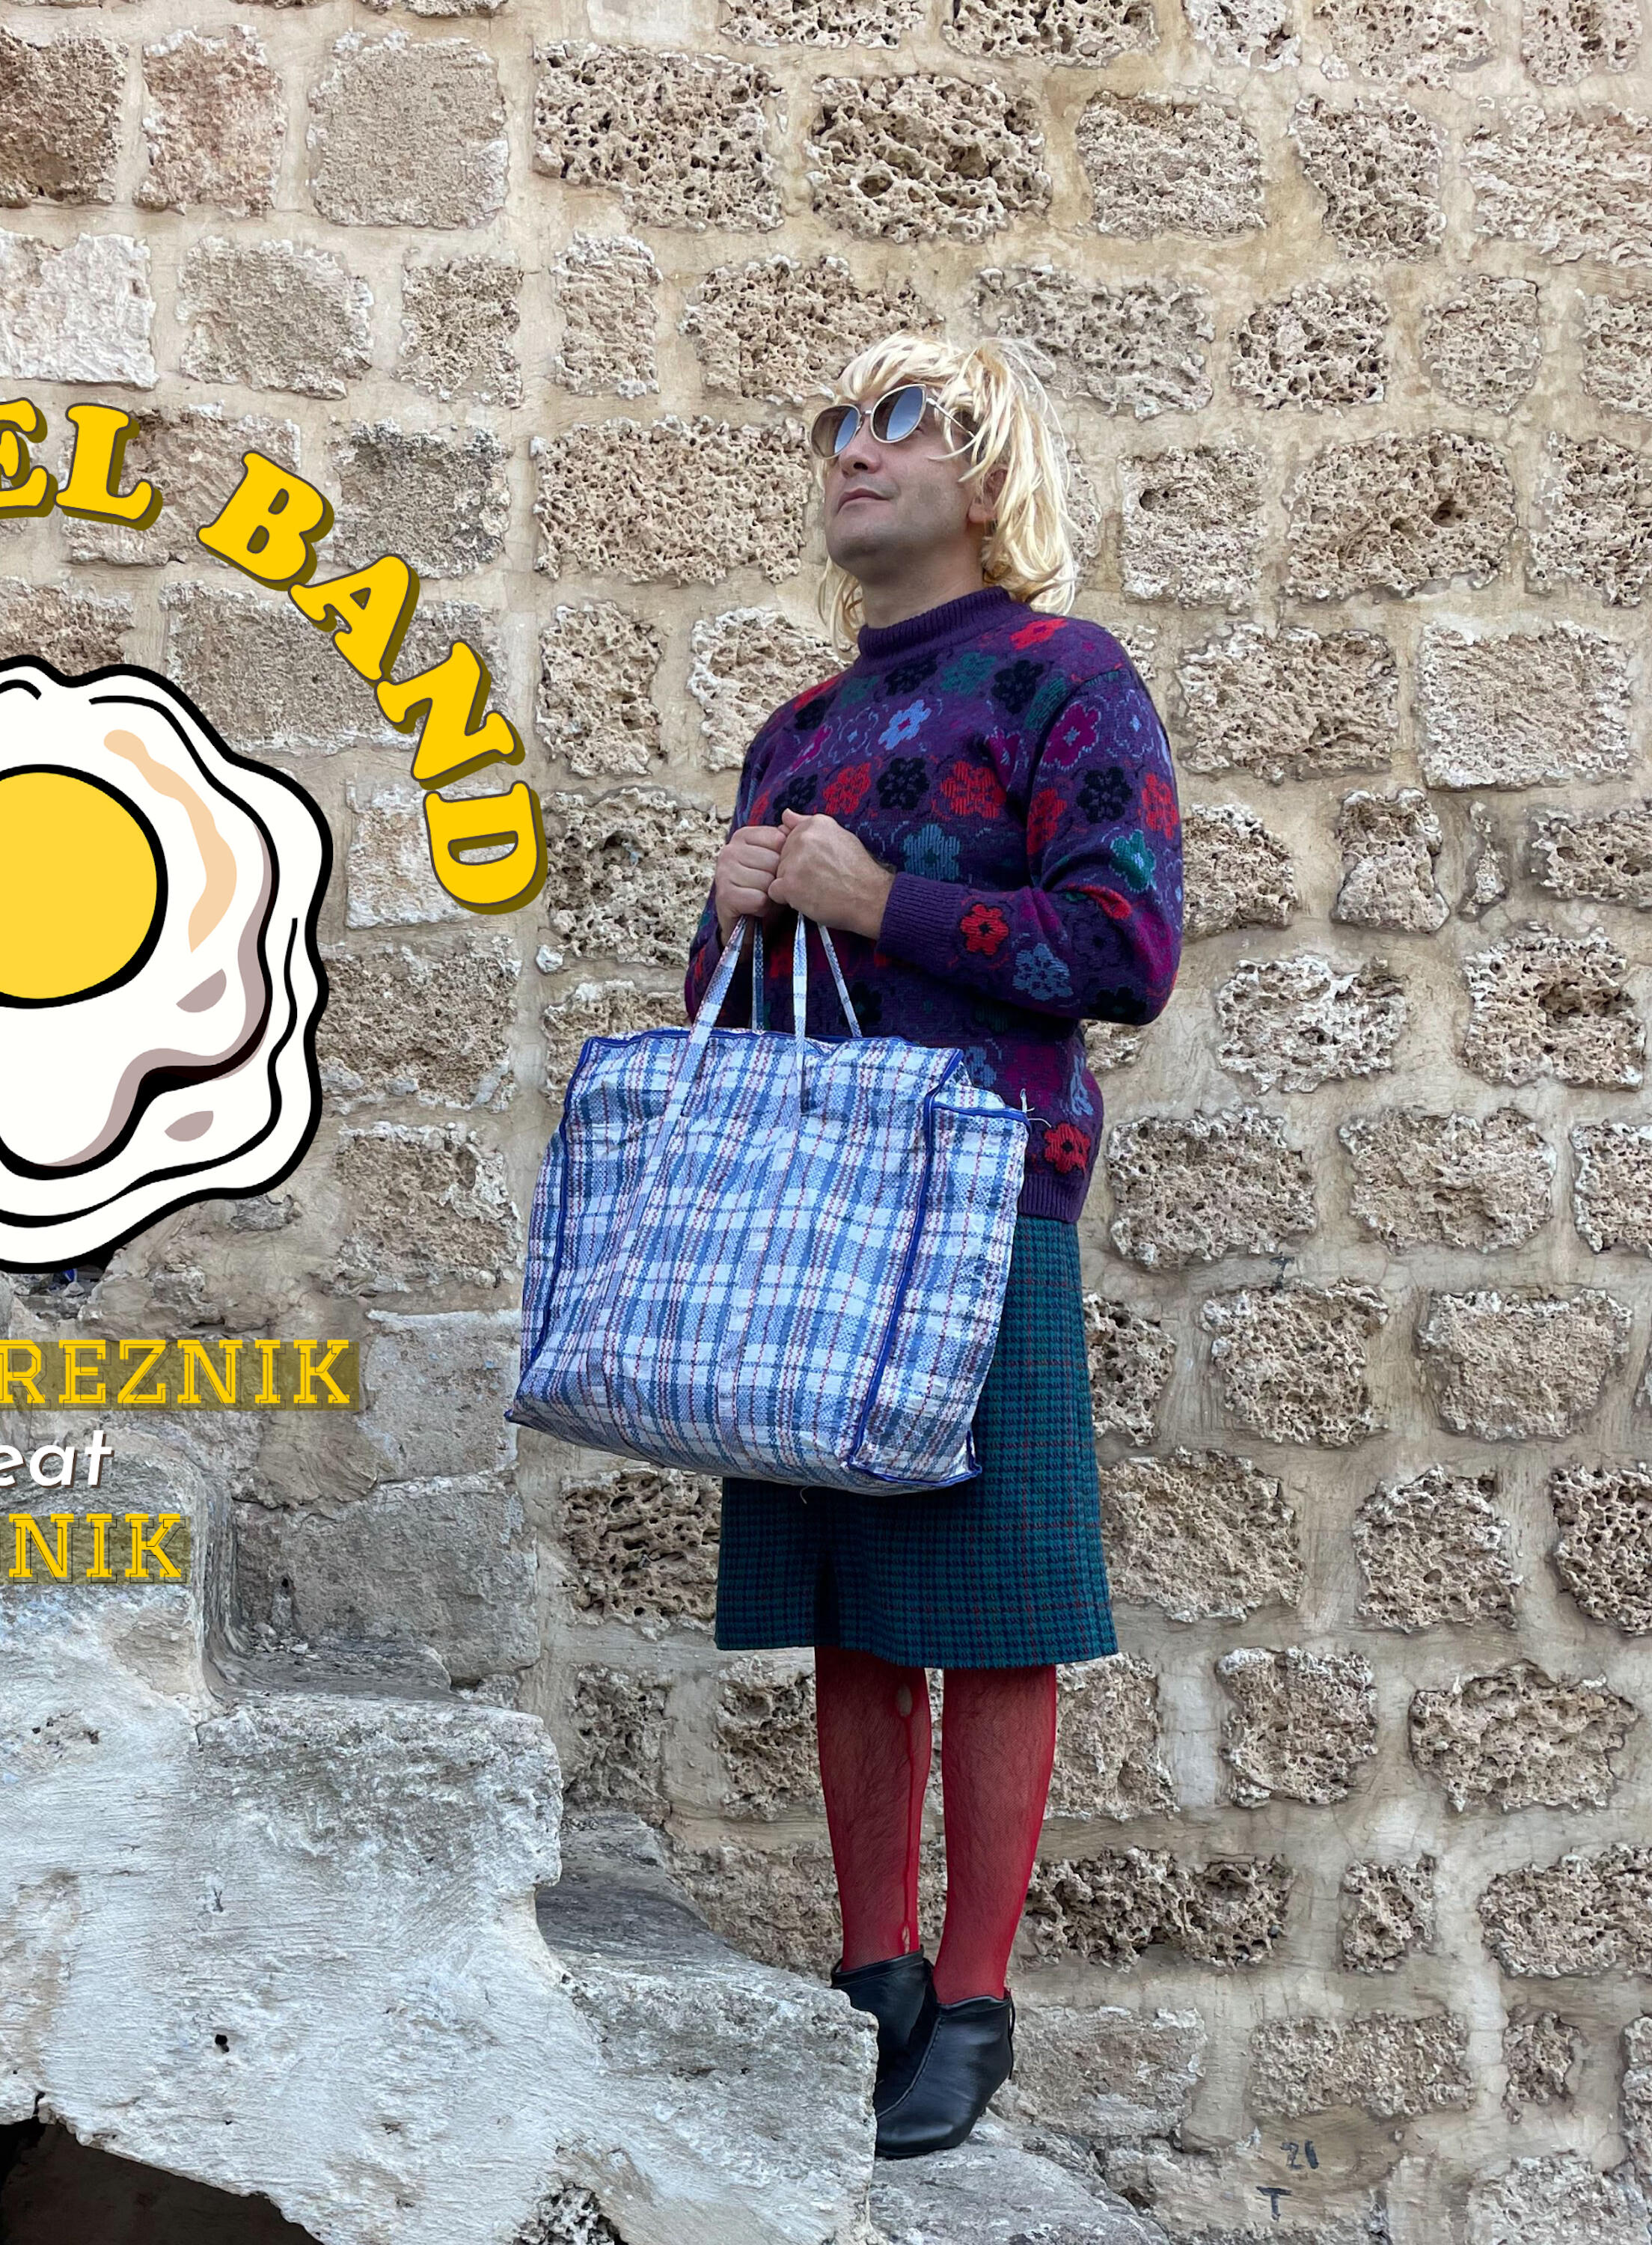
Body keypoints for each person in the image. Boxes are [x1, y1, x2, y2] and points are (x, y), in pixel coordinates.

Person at [677, 337, 1185, 2160]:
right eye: (841, 420)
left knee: (996, 1602)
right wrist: (732, 916)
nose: (855, 448)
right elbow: (739, 1000)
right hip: (811, 1207)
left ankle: (973, 2004)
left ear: (987, 475)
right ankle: (871, 1977)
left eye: (904, 422)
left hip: (980, 1196)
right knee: (855, 1606)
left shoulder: (1067, 677)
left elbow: (1124, 950)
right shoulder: (799, 727)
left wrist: (878, 898)